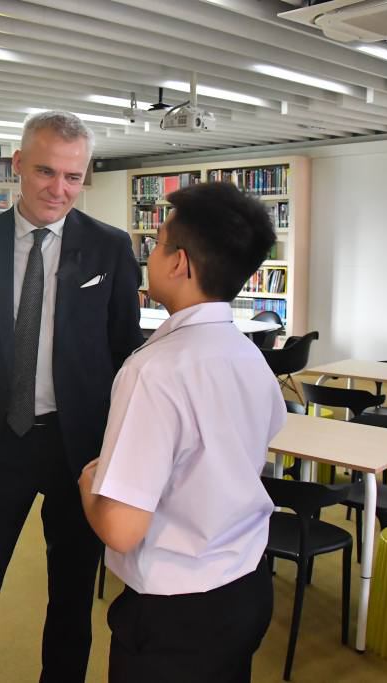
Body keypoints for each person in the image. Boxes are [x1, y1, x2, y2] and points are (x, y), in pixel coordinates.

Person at [0, 111, 144, 683]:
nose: (59, 189)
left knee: (72, 596)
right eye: (46, 171)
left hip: (80, 450)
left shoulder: (109, 248)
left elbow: (123, 348)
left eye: (73, 176)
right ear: (18, 164)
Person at [78, 182, 286, 683]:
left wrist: (88, 485)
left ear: (180, 263)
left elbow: (121, 529)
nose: (148, 254)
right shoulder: (249, 355)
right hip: (246, 584)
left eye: (157, 243)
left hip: (175, 611)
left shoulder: (154, 370)